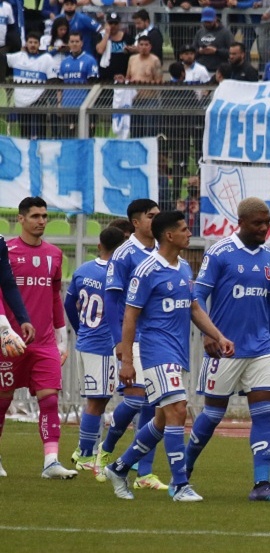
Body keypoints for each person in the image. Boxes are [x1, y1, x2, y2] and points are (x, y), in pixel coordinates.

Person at [104, 210, 235, 502]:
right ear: (169, 235)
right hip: (154, 350)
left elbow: (194, 308)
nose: (190, 233)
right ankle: (180, 484)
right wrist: (127, 360)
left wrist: (219, 335)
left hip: (177, 351)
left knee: (163, 420)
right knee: (178, 409)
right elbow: (129, 316)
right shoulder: (147, 270)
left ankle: (119, 467)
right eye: (185, 229)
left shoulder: (184, 268)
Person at [182, 198, 270, 502]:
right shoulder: (220, 253)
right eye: (258, 223)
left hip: (260, 350)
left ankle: (262, 485)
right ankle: (184, 470)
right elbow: (198, 297)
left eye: (267, 223)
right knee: (213, 414)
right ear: (241, 223)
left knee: (263, 414)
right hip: (224, 349)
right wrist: (208, 334)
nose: (265, 228)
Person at [0, 198, 70, 479]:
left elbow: (54, 296)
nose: (42, 221)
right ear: (21, 219)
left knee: (50, 399)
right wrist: (4, 330)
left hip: (43, 342)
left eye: (45, 216)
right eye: (36, 216)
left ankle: (51, 461)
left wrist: (61, 336)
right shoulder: (7, 251)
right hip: (9, 343)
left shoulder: (54, 253)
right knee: (2, 401)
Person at [99, 199, 165, 490]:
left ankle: (145, 473)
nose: (156, 221)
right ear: (135, 222)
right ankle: (106, 449)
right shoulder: (125, 253)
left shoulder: (163, 251)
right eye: (151, 217)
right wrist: (119, 342)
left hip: (157, 336)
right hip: (132, 336)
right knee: (138, 399)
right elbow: (113, 300)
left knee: (155, 403)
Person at [66, 227, 125, 477]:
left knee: (96, 399)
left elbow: (69, 304)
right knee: (97, 401)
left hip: (85, 341)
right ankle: (86, 453)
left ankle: (84, 449)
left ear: (99, 245)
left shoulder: (82, 270)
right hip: (102, 345)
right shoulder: (117, 274)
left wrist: (80, 329)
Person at [7, 33, 57, 140]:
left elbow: (53, 80)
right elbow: (3, 60)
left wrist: (45, 96)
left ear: (39, 44)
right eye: (30, 42)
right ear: (26, 43)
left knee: (41, 134)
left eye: (35, 42)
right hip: (21, 102)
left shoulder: (47, 59)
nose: (32, 45)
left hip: (39, 101)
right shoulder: (18, 57)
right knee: (24, 134)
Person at [193, 7, 233, 73]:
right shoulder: (200, 32)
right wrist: (200, 51)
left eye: (209, 22)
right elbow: (193, 50)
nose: (207, 24)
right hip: (201, 69)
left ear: (215, 19)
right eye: (205, 22)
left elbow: (231, 52)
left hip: (219, 69)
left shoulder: (226, 33)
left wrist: (216, 51)